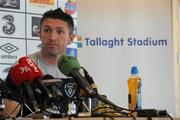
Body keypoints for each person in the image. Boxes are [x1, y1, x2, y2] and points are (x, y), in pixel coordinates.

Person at [4, 8, 75, 118]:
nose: (52, 37)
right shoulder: (22, 67)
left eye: (60, 31)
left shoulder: (76, 71)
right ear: (40, 34)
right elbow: (9, 114)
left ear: (71, 38)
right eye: (47, 30)